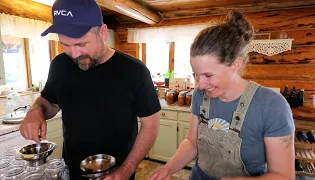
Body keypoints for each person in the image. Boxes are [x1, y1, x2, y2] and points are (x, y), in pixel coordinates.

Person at [19, 0, 161, 179]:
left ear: (102, 32)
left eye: (81, 44)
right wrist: (35, 110)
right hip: (71, 171)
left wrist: (127, 168)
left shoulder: (134, 71)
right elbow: (50, 102)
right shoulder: (60, 64)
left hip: (117, 173)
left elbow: (151, 124)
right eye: (66, 45)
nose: (74, 54)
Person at [149, 11, 295, 180]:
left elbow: (283, 176)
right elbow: (192, 142)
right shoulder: (199, 95)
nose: (200, 84)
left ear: (236, 64)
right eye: (196, 74)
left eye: (208, 75)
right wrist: (169, 168)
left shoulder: (272, 106)